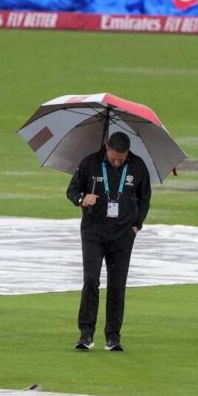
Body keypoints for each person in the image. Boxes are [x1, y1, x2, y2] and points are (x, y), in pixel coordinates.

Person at [66, 131, 151, 352]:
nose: (116, 161)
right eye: (113, 157)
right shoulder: (90, 164)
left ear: (127, 154)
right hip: (93, 232)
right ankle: (86, 334)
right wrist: (82, 200)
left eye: (121, 159)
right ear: (106, 148)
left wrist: (137, 225)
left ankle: (113, 336)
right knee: (91, 280)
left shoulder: (138, 167)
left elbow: (145, 198)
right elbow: (71, 190)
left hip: (123, 234)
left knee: (117, 285)